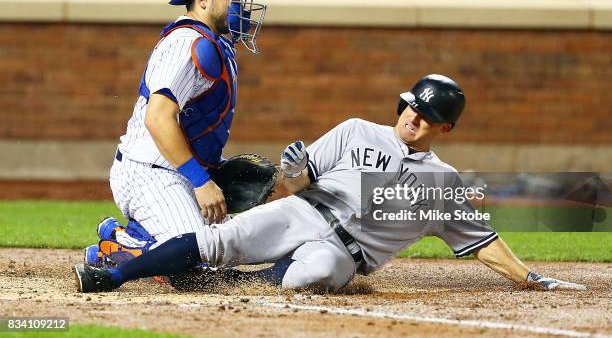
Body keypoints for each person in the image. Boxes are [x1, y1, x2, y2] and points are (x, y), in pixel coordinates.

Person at [74, 74, 586, 294]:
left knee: (306, 277)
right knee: (215, 242)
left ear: (444, 128)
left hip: (347, 256)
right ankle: (115, 275)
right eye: (411, 105)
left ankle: (227, 280)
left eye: (427, 114)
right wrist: (296, 166)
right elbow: (293, 180)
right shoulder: (356, 129)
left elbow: (484, 244)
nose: (413, 116)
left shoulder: (443, 183)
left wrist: (531, 279)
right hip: (306, 212)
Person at [82, 0, 268, 269]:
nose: (241, 4)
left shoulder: (216, 43)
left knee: (229, 254)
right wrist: (201, 182)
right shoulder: (187, 42)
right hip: (150, 172)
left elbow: (192, 121)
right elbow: (157, 118)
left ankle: (150, 235)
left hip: (177, 171)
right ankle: (120, 242)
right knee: (196, 264)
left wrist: (213, 169)